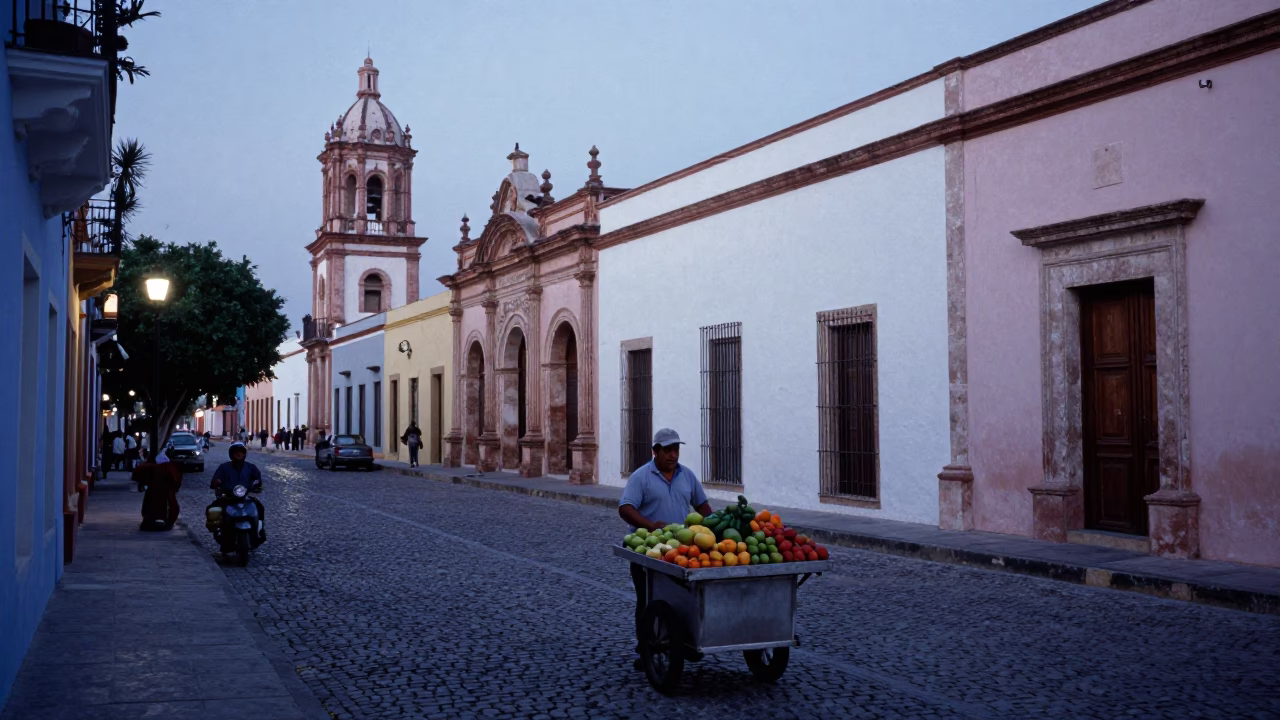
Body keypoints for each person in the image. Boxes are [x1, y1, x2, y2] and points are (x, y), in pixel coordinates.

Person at [617, 428, 713, 669]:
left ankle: (682, 641)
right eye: (667, 450)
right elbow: (626, 508)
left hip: (681, 550)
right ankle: (646, 649)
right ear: (655, 451)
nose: (672, 455)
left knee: (682, 598)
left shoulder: (687, 476)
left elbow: (702, 505)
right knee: (647, 599)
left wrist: (714, 530)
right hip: (649, 550)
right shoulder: (641, 477)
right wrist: (649, 526)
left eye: (676, 450)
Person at [210, 442, 265, 543]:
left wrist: (257, 484)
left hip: (245, 497)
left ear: (244, 454)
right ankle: (219, 530)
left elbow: (258, 478)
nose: (239, 454)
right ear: (231, 454)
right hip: (228, 497)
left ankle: (259, 531)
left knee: (259, 507)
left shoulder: (251, 467)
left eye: (241, 452)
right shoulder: (224, 467)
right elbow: (215, 479)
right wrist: (216, 483)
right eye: (236, 452)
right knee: (213, 509)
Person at [137, 450, 182, 531]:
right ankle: (167, 522)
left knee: (151, 505)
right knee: (169, 505)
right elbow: (176, 480)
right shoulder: (167, 468)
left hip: (156, 490)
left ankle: (149, 521)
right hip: (164, 490)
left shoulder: (152, 467)